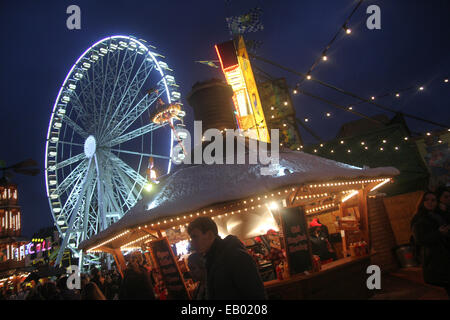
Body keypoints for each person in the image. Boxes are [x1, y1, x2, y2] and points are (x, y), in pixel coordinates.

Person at [187, 217, 267, 300]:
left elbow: (256, 295)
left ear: (210, 235)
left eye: (195, 237)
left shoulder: (236, 257)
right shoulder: (211, 260)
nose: (192, 243)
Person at [411, 191, 450, 298]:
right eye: (427, 200)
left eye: (433, 200)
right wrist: (439, 233)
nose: (430, 202)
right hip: (434, 257)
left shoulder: (438, 215)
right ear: (422, 202)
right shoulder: (419, 219)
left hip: (444, 254)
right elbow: (420, 239)